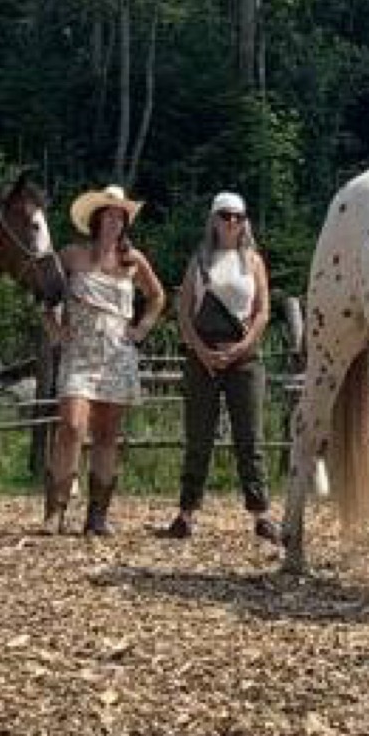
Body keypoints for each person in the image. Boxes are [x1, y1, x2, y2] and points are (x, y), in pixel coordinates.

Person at [43, 185, 165, 537]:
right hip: (79, 352)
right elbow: (44, 295)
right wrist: (54, 329)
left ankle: (98, 515)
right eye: (109, 215)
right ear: (96, 220)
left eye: (120, 216)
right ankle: (57, 509)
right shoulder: (71, 256)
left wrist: (141, 329)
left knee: (108, 434)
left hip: (117, 354)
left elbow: (157, 296)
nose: (114, 221)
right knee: (71, 426)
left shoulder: (133, 260)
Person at [162, 191, 280, 545]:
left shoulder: (253, 261)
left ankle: (260, 512)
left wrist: (244, 347)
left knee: (250, 436)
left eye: (238, 217)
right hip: (204, 355)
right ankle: (186, 512)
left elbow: (262, 311)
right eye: (226, 216)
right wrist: (200, 351)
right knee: (198, 435)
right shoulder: (199, 259)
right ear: (214, 219)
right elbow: (183, 313)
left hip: (243, 356)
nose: (232, 222)